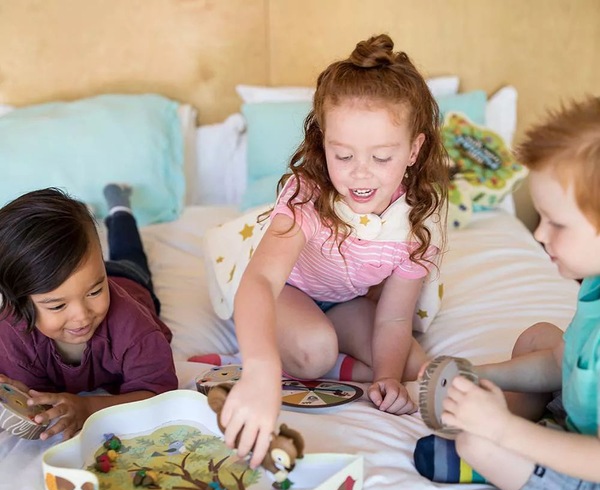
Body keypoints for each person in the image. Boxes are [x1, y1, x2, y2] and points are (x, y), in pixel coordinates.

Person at [213, 33, 448, 467]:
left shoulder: (417, 222)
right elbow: (260, 280)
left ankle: (355, 367)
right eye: (343, 155)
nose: (360, 174)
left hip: (344, 301)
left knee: (412, 365)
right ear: (324, 144)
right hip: (289, 291)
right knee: (314, 350)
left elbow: (395, 317)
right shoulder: (308, 196)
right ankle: (323, 357)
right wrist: (261, 369)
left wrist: (386, 379)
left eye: (381, 157)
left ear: (414, 150)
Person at [413, 96, 600, 490]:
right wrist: (477, 373)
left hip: (593, 473)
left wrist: (503, 431)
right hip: (584, 417)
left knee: (476, 444)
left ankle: (486, 457)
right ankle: (508, 427)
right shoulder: (594, 281)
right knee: (540, 336)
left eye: (556, 223)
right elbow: (559, 361)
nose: (539, 233)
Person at [0, 185, 178, 441]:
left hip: (129, 279)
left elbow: (159, 397)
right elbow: (40, 400)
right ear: (19, 303)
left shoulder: (135, 328)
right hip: (91, 273)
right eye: (58, 306)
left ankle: (120, 208)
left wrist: (89, 407)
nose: (82, 316)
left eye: (95, 292)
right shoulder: (13, 332)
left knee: (130, 253)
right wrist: (24, 394)